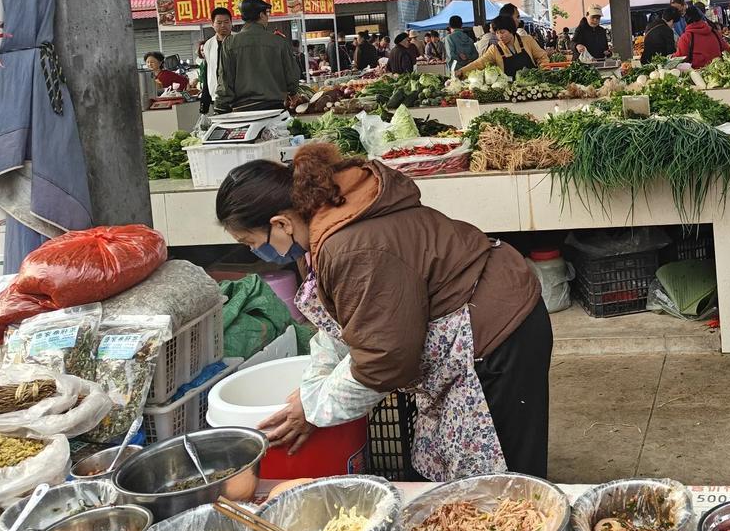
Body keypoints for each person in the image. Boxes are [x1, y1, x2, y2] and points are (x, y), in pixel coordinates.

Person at [216, 142, 551, 477]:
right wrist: (314, 384)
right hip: (464, 322)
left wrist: (314, 407)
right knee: (459, 470)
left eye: (251, 242)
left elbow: (385, 358)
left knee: (508, 484)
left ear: (281, 224)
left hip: (499, 333)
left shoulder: (350, 247)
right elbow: (345, 323)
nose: (255, 252)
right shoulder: (320, 225)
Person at [214, 0, 301, 114]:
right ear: (261, 15)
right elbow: (291, 75)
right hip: (274, 109)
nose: (267, 19)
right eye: (267, 14)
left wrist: (220, 108)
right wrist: (293, 93)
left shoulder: (229, 43)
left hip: (242, 111)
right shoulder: (278, 42)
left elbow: (224, 79)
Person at [459, 15, 548, 76]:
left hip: (533, 88)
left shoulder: (527, 40)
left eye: (502, 32)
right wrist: (461, 71)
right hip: (510, 91)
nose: (499, 36)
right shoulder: (494, 49)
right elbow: (479, 63)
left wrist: (543, 71)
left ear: (511, 30)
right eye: (497, 33)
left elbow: (542, 57)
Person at [199, 7, 234, 113]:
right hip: (217, 95)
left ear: (231, 23)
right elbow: (208, 70)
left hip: (238, 95)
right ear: (212, 24)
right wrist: (205, 97)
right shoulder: (208, 44)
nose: (223, 25)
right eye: (219, 22)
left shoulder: (239, 40)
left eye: (226, 22)